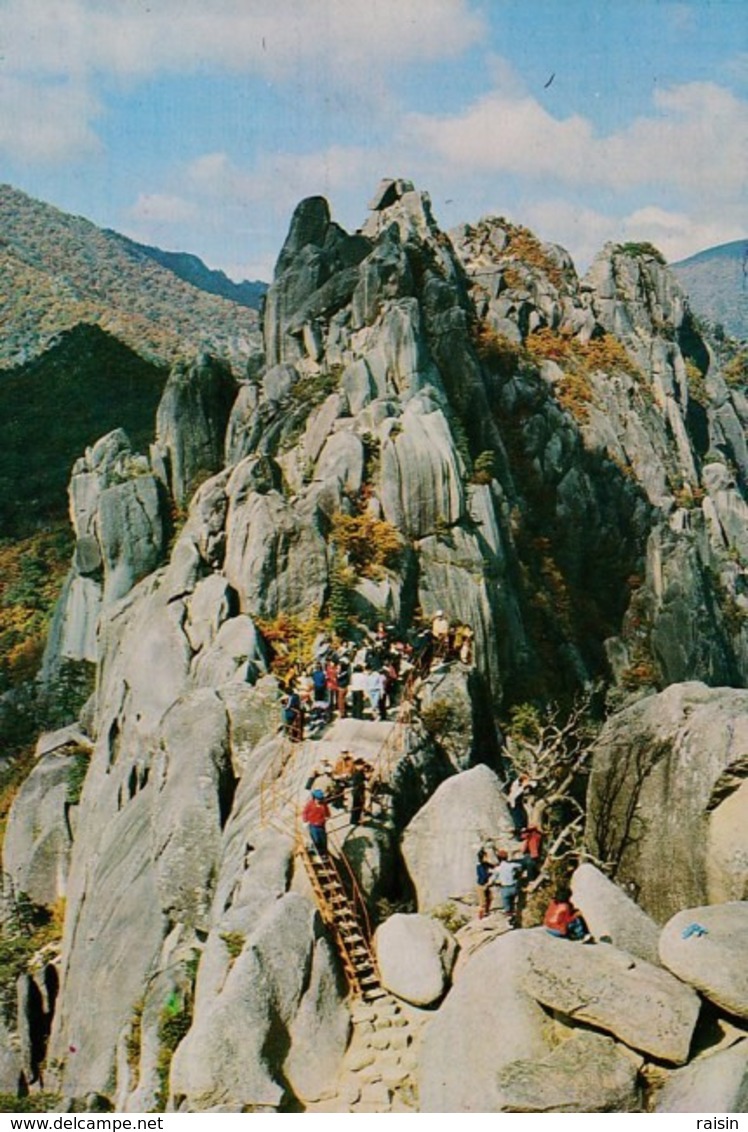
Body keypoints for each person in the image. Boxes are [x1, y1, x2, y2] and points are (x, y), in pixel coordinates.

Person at [492, 849, 524, 928]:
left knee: (507, 908)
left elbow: (493, 878)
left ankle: (510, 923)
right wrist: (517, 874)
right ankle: (515, 921)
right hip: (513, 887)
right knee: (514, 905)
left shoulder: (498, 869)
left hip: (505, 888)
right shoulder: (511, 865)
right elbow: (520, 866)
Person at [302, 789, 331, 856]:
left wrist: (328, 817)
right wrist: (305, 821)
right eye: (318, 799)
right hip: (313, 826)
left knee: (323, 839)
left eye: (321, 799)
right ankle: (318, 853)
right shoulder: (310, 804)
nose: (320, 801)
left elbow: (327, 811)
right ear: (314, 798)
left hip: (321, 825)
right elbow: (305, 812)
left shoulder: (323, 804)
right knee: (316, 840)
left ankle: (324, 853)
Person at [350, 758, 368, 826]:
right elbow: (356, 783)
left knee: (359, 807)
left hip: (360, 791)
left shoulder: (361, 772)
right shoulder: (356, 773)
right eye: (361, 765)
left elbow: (363, 778)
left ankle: (356, 819)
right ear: (357, 765)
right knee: (356, 806)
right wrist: (363, 783)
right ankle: (354, 820)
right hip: (357, 792)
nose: (363, 766)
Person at [476, 849, 492, 919]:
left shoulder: (486, 864)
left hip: (486, 884)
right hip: (481, 885)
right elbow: (483, 875)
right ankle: (481, 917)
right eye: (486, 856)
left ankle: (487, 912)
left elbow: (494, 866)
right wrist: (490, 874)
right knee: (482, 902)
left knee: (489, 898)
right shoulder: (480, 865)